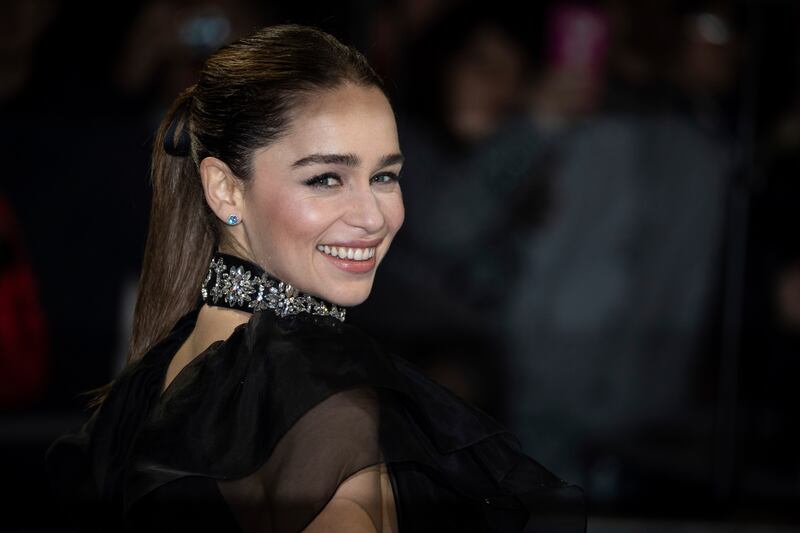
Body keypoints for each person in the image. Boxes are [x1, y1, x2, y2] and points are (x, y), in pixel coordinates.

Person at [44, 24, 585, 532]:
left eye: (384, 176)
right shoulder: (318, 392)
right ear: (224, 189)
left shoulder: (168, 364)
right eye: (326, 178)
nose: (373, 216)